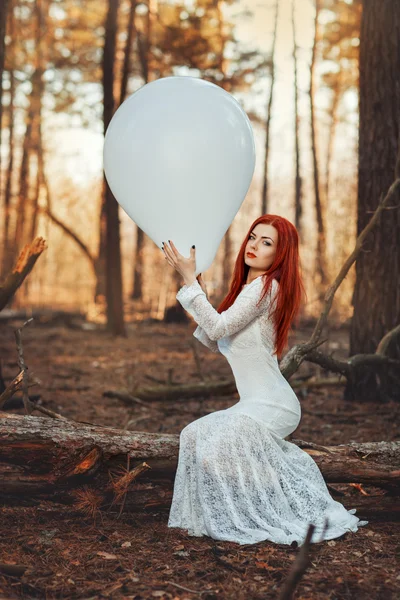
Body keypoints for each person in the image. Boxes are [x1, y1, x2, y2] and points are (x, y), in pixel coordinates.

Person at [161, 214, 368, 546]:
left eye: (266, 242)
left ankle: (269, 505)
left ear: (280, 253)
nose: (254, 245)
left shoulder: (266, 287)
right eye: (253, 237)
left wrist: (190, 283)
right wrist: (195, 286)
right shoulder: (248, 289)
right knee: (193, 434)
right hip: (251, 403)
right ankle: (224, 511)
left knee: (216, 447)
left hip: (274, 404)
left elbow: (215, 328)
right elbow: (217, 339)